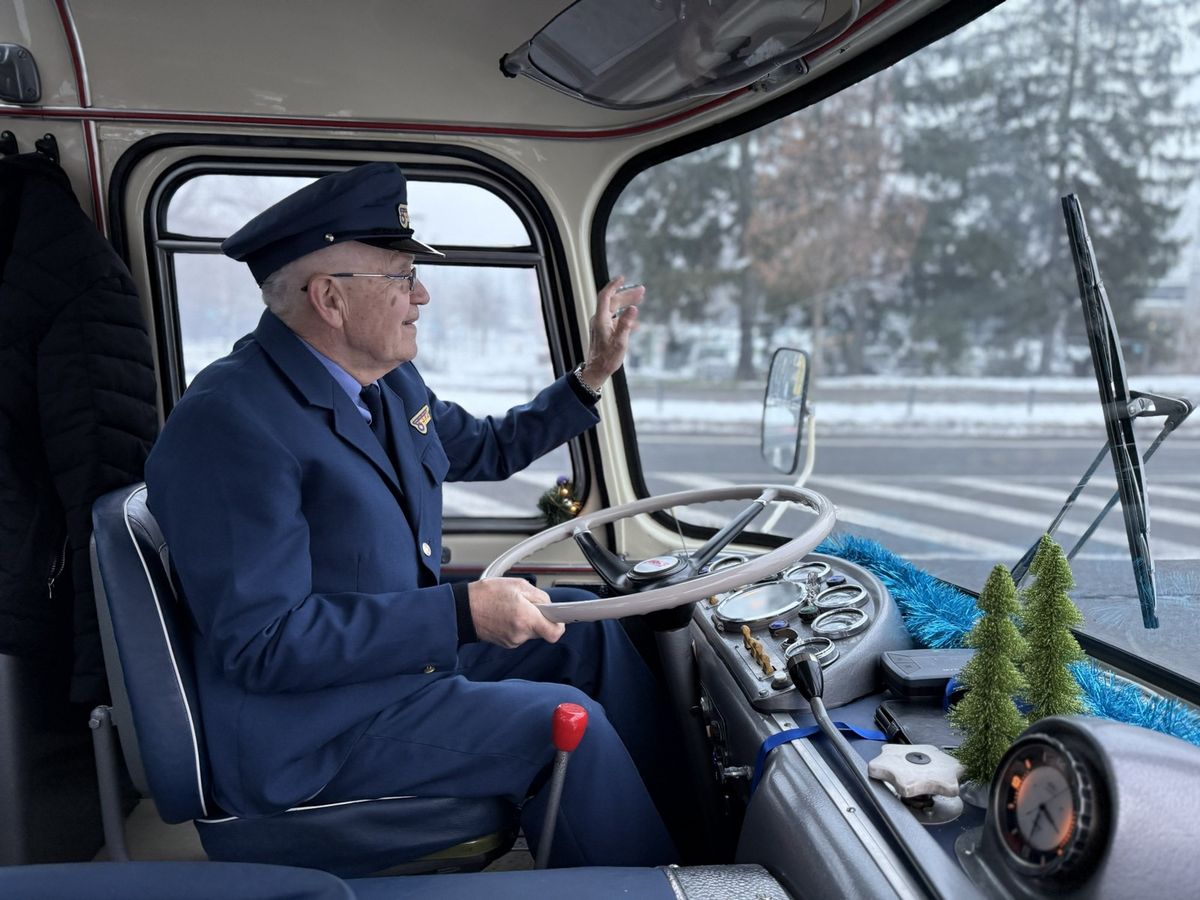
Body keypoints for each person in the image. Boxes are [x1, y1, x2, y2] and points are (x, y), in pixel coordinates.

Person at [144, 163, 675, 868]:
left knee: (588, 629)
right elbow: (261, 644)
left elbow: (486, 445)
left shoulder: (386, 384)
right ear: (329, 298)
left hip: (386, 669)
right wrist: (462, 614)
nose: (421, 295)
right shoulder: (230, 423)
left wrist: (592, 374)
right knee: (564, 729)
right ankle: (645, 883)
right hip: (314, 729)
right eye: (400, 277)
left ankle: (694, 849)